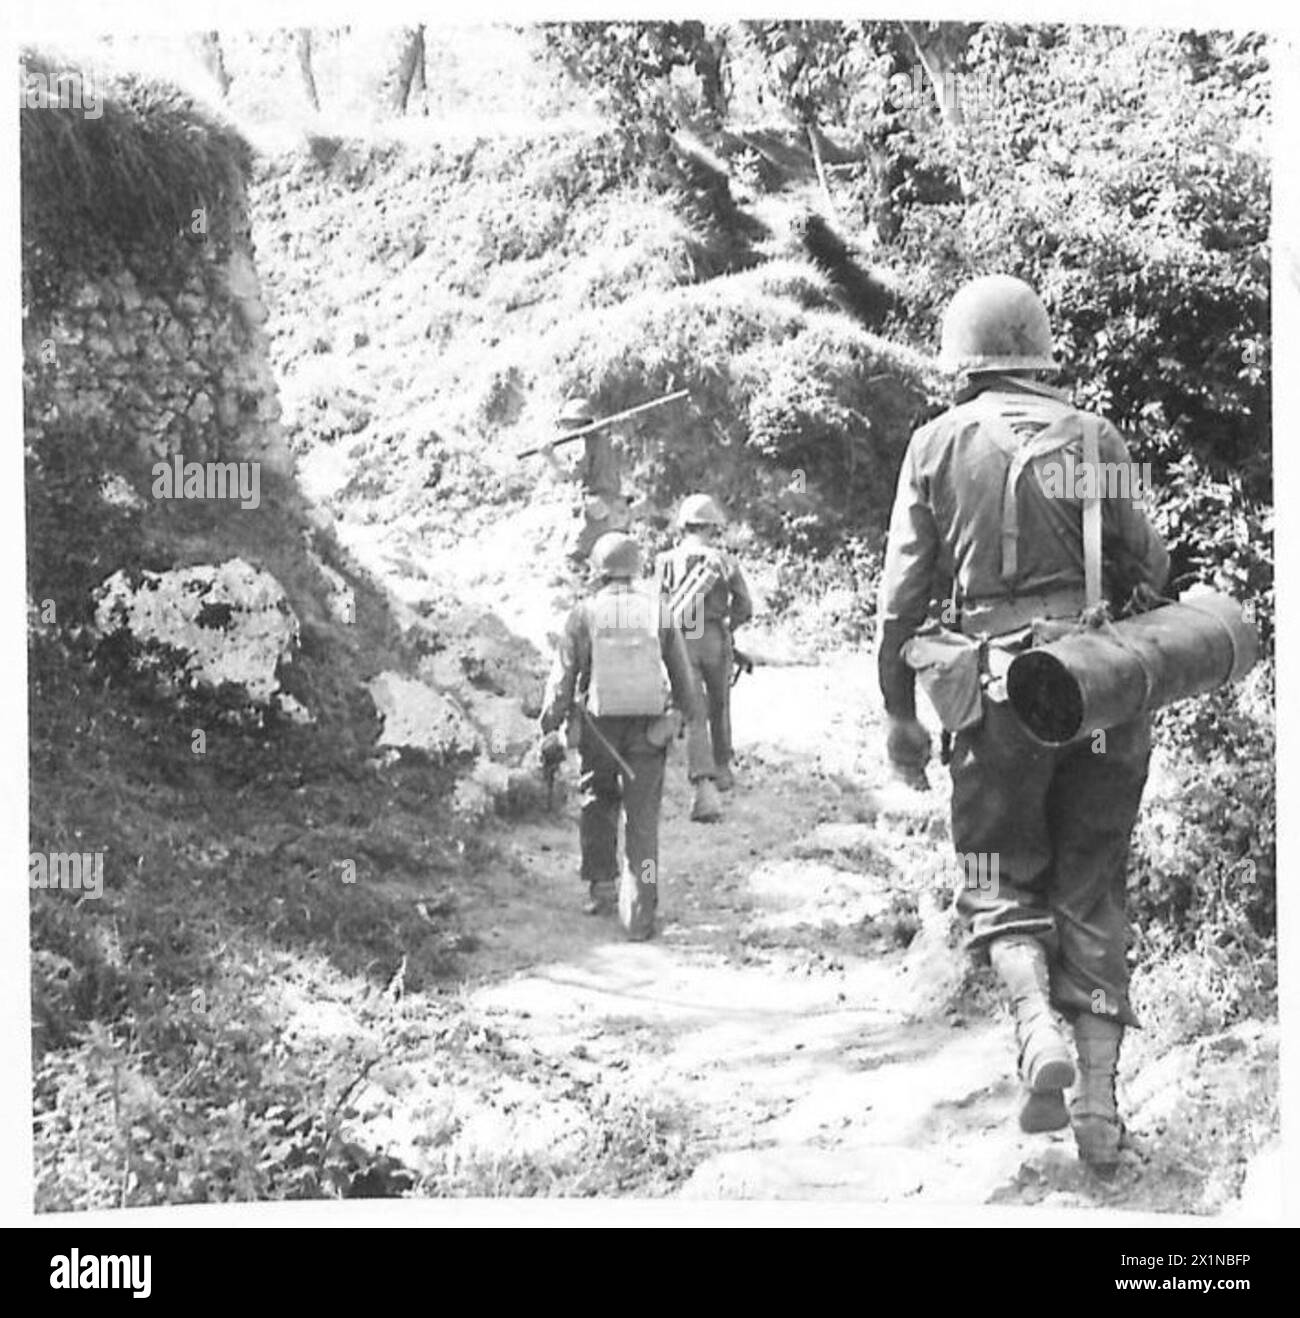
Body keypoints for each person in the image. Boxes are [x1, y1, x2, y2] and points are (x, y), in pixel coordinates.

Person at [875, 274, 1169, 1172]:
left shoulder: (932, 446)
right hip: (1095, 695)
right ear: (1039, 353)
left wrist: (900, 715)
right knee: (1093, 885)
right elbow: (1148, 562)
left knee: (996, 878)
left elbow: (901, 602)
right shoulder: (1099, 436)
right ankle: (1099, 1108)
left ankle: (1034, 1026)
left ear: (963, 359)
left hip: (998, 698)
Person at [539, 531, 702, 940]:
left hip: (598, 729)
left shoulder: (583, 613)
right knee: (643, 822)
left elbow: (563, 679)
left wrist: (550, 723)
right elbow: (683, 678)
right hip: (648, 731)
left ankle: (602, 886)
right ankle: (640, 911)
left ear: (598, 571)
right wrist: (681, 717)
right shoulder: (657, 611)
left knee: (597, 802)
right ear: (637, 568)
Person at [655, 494, 753, 823]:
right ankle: (723, 770)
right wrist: (729, 625)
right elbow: (745, 606)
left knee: (694, 711)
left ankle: (704, 784)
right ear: (712, 527)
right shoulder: (724, 561)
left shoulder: (665, 560)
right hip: (714, 637)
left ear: (684, 525)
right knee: (720, 705)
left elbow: (659, 607)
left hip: (682, 640)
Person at [540, 396, 633, 566]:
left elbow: (570, 475)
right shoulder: (608, 441)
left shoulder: (587, 443)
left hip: (598, 508)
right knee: (615, 558)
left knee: (574, 558)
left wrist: (550, 457)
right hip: (616, 504)